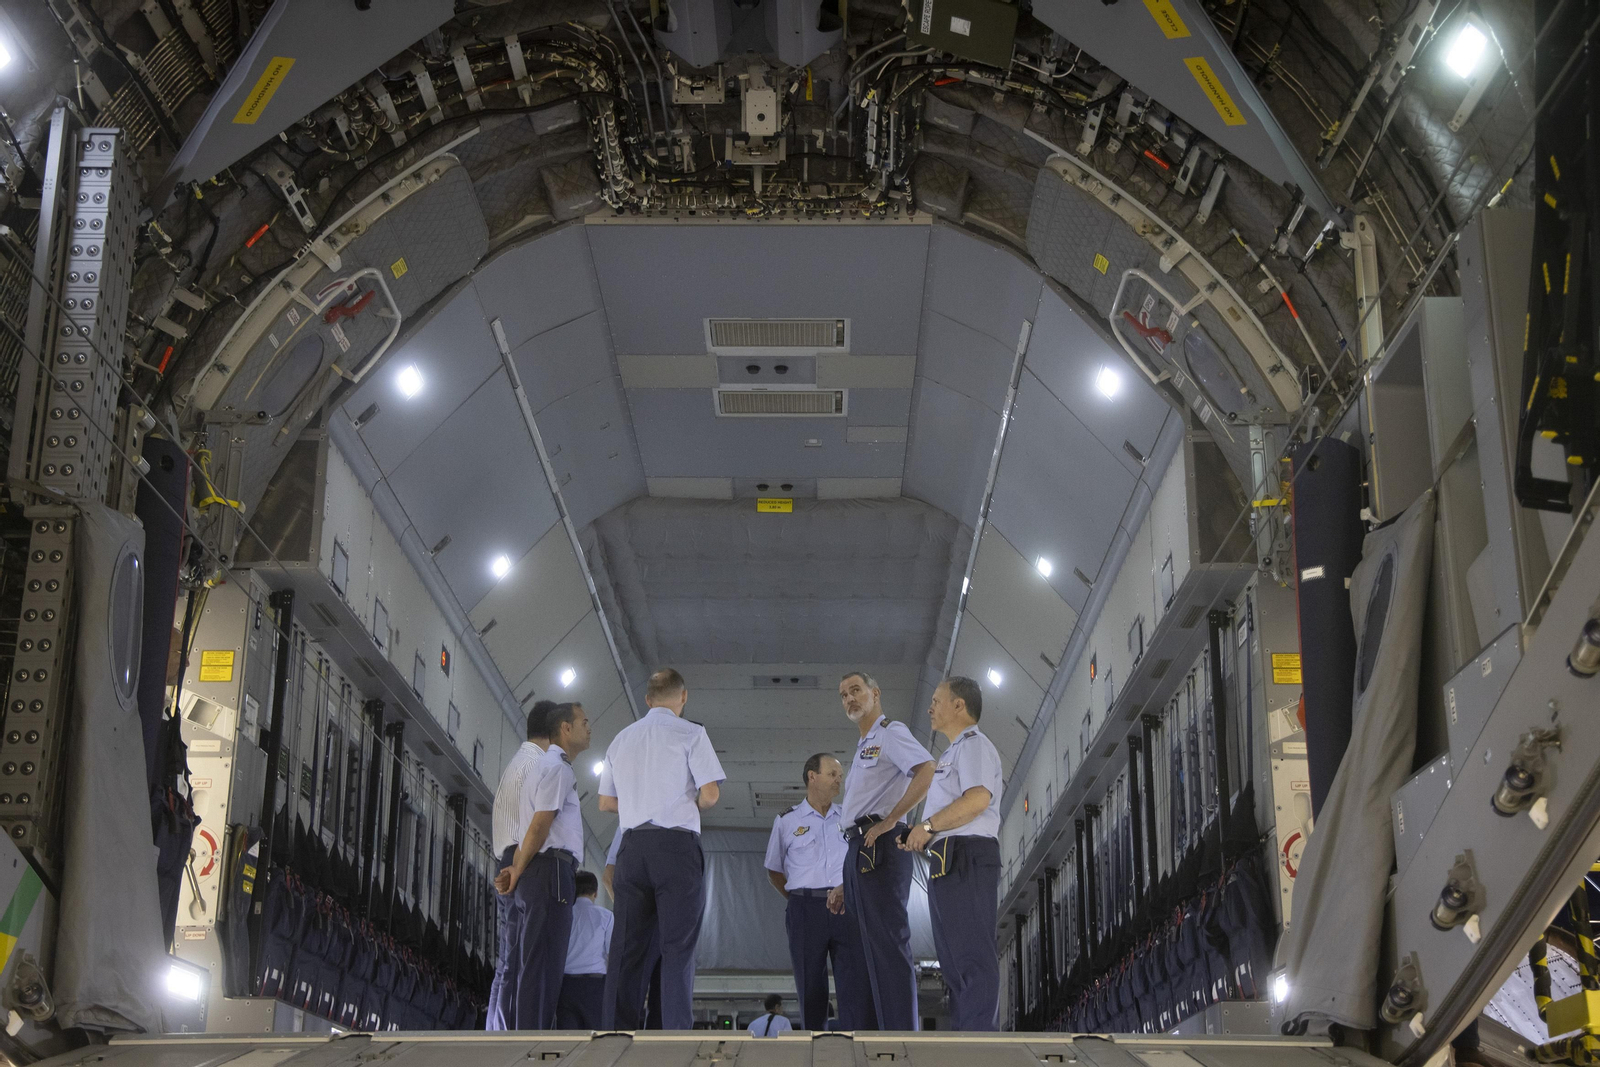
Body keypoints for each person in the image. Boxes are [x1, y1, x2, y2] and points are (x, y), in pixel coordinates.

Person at [599, 669, 726, 1029]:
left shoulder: (620, 740)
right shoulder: (691, 733)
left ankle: (615, 1031)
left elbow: (606, 802)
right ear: (683, 698)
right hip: (675, 848)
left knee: (626, 949)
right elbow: (711, 794)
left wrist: (641, 802)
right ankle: (674, 1035)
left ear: (647, 700)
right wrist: (691, 803)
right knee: (677, 947)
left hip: (632, 847)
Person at [833, 670, 935, 1031]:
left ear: (875, 693)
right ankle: (874, 1037)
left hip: (881, 846)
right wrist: (846, 881)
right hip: (859, 849)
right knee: (865, 950)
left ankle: (901, 1036)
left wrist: (893, 819)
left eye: (856, 690)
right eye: (844, 694)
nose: (850, 699)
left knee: (888, 945)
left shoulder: (891, 733)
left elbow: (927, 768)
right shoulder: (862, 748)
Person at [900, 677, 1004, 1031]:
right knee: (954, 959)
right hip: (946, 858)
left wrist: (926, 828)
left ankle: (978, 1042)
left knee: (972, 955)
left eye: (936, 700)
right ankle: (967, 1035)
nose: (930, 707)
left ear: (959, 705)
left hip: (967, 856)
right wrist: (921, 834)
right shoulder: (953, 752)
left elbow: (977, 800)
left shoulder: (973, 745)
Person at [495, 701, 590, 1029]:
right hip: (550, 872)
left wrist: (517, 868)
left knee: (530, 964)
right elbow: (539, 825)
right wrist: (517, 869)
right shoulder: (557, 767)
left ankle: (526, 1040)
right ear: (565, 728)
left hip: (537, 871)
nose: (588, 728)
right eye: (583, 722)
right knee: (544, 967)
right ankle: (532, 1047)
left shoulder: (539, 767)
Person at [764, 753, 874, 1031]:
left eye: (840, 775)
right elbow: (774, 871)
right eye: (833, 774)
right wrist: (799, 899)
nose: (840, 780)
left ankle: (856, 1042)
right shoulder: (787, 821)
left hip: (846, 905)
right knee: (810, 983)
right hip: (805, 908)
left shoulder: (849, 817)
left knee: (853, 981)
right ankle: (814, 1045)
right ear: (812, 776)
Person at [486, 700, 555, 1029]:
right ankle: (506, 1033)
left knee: (508, 958)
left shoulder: (520, 761)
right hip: (521, 862)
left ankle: (496, 1031)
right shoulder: (538, 765)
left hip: (508, 857)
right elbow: (538, 826)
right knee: (519, 956)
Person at [605, 826, 663, 1029]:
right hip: (653, 915)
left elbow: (609, 873)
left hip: (654, 914)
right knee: (641, 988)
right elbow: (609, 873)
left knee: (635, 982)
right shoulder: (630, 814)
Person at [557, 870, 613, 1029]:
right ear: (595, 893)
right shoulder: (606, 916)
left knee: (569, 1040)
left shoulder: (563, 915)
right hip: (595, 986)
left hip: (565, 986)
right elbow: (612, 955)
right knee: (597, 1040)